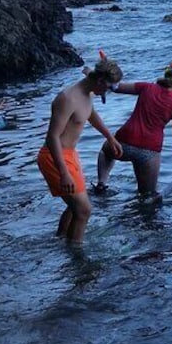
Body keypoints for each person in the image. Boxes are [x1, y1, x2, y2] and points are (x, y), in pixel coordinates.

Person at [37, 55, 124, 244]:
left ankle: (61, 240)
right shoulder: (68, 98)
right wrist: (63, 173)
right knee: (84, 209)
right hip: (54, 156)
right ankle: (76, 255)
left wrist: (110, 137)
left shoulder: (88, 93)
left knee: (75, 206)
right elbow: (52, 137)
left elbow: (90, 113)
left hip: (70, 154)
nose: (109, 92)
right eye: (109, 88)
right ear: (100, 81)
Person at [96, 66, 172, 196]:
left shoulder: (146, 87)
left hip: (124, 141)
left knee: (106, 152)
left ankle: (101, 184)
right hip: (149, 150)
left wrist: (97, 74)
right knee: (148, 195)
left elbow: (115, 87)